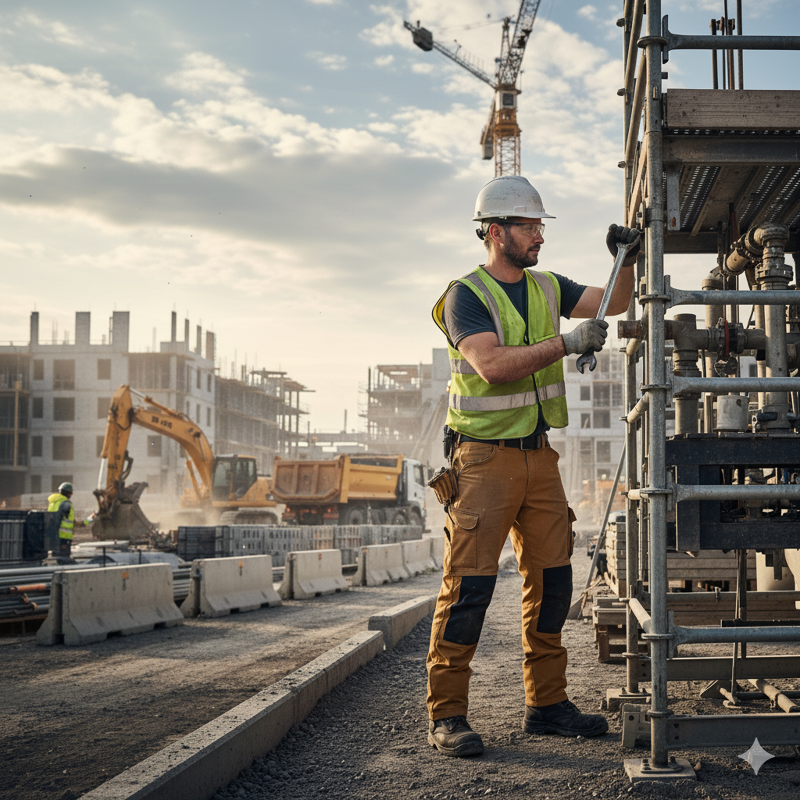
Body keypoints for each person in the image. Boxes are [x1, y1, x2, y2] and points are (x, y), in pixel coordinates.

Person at [426, 175, 639, 757]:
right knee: (469, 587)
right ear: (496, 232)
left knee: (552, 582)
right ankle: (447, 714)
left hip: (538, 457)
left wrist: (628, 255)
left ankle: (546, 705)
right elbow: (492, 365)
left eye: (540, 225)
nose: (538, 234)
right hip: (482, 461)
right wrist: (567, 345)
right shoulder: (463, 295)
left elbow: (615, 302)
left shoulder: (547, 286)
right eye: (528, 225)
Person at [47, 482, 93, 559]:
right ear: (69, 493)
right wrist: (91, 519)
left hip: (53, 536)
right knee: (64, 559)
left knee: (56, 559)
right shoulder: (66, 504)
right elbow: (73, 523)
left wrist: (90, 519)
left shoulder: (53, 502)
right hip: (64, 537)